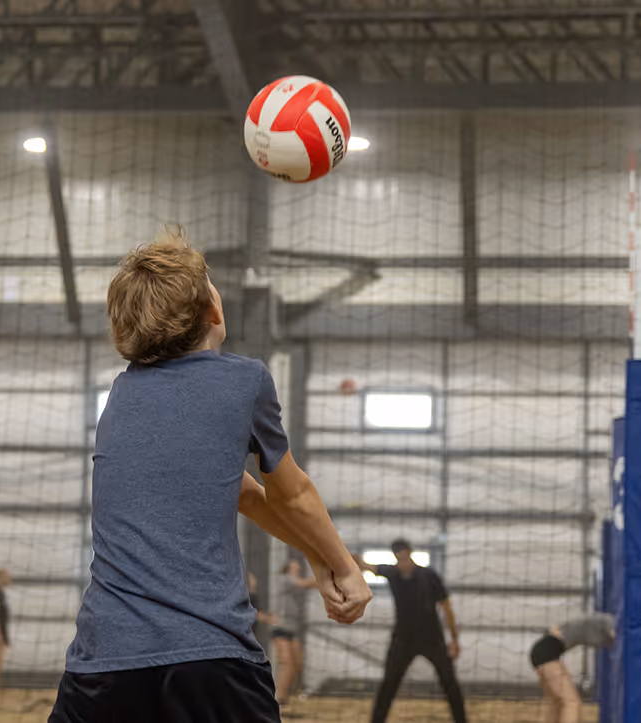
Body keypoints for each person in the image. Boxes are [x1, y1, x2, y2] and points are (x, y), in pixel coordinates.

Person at [49, 229, 372, 723]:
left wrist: (313, 554)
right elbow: (294, 495)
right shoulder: (244, 378)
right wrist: (343, 564)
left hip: (105, 660)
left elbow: (240, 492)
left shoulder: (122, 395)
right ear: (212, 311)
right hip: (210, 655)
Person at [354, 539, 466, 723]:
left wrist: (454, 639)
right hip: (403, 639)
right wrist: (345, 558)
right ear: (395, 558)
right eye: (399, 559)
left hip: (431, 638)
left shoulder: (429, 576)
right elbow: (366, 566)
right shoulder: (392, 572)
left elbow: (447, 608)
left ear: (411, 555)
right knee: (389, 683)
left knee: (449, 682)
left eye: (405, 558)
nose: (403, 564)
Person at [530, 612, 615, 723]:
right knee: (571, 703)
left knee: (557, 702)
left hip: (540, 654)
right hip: (547, 655)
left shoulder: (585, 628)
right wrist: (612, 632)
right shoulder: (606, 622)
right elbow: (607, 620)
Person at [271, 558, 318, 706]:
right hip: (281, 627)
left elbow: (305, 584)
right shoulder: (283, 579)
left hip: (294, 628)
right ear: (287, 568)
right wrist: (327, 578)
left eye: (298, 568)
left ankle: (288, 692)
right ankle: (279, 697)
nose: (296, 570)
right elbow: (304, 583)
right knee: (286, 663)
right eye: (293, 568)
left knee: (297, 663)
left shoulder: (296, 582)